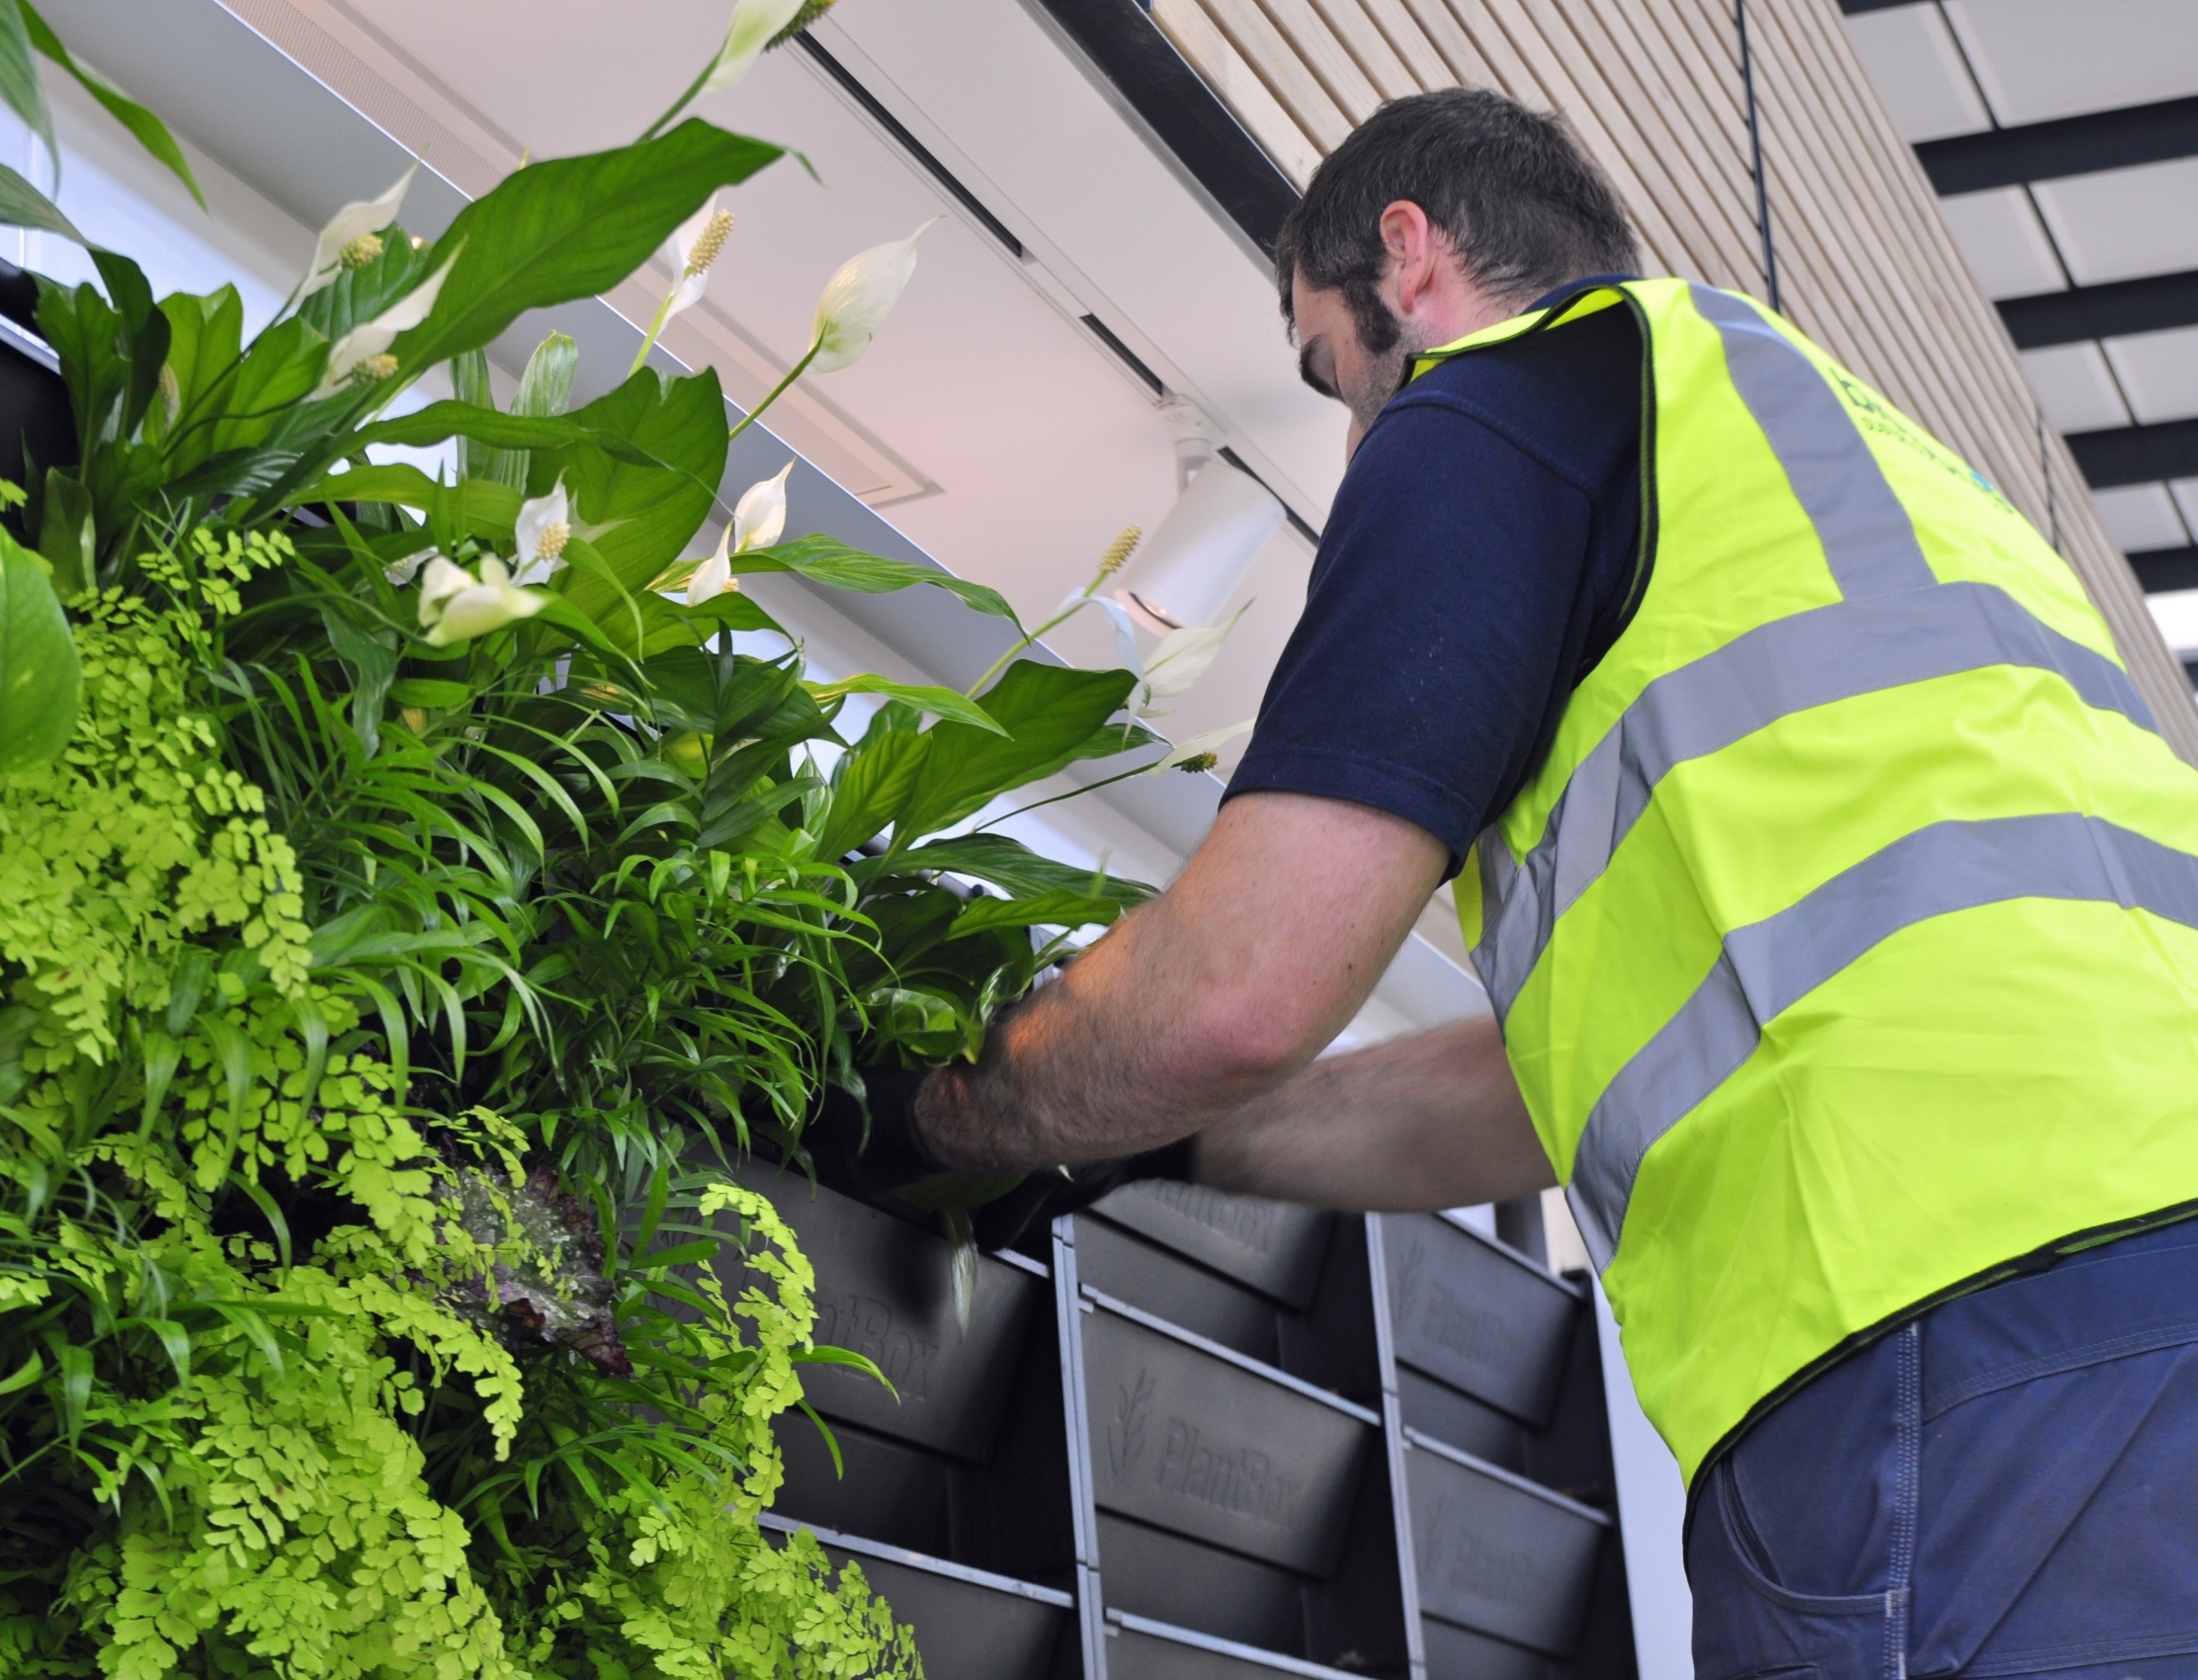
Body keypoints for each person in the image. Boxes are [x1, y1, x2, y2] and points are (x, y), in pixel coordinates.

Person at [823, 85, 2198, 1675]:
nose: (1359, 439)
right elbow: (1550, 1092)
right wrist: (1159, 1146)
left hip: (1953, 1346)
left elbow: (1244, 982)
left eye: (1334, 375)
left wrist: (947, 1116)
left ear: (1409, 263)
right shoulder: (1877, 488)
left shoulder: (1507, 399)